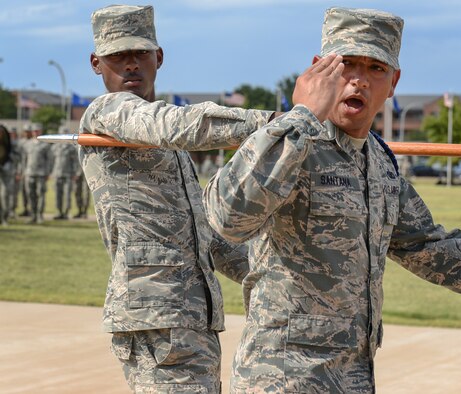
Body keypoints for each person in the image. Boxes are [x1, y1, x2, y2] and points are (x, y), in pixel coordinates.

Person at [203, 7, 461, 393]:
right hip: (282, 377)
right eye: (346, 64)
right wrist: (300, 116)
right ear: (318, 70)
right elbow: (226, 217)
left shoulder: (379, 164)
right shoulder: (289, 143)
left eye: (376, 69)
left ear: (394, 82)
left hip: (353, 376)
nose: (359, 80)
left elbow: (434, 250)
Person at [80, 5, 275, 392]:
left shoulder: (166, 139)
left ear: (159, 58)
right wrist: (272, 124)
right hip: (157, 315)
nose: (130, 65)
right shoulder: (109, 113)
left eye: (140, 54)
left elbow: (204, 231)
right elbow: (175, 125)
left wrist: (266, 274)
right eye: (118, 57)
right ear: (96, 64)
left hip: (189, 313)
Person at [22, 123, 52, 224]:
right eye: (34, 131)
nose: (36, 132)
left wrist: (48, 172)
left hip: (41, 173)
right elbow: (24, 160)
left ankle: (39, 215)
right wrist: (23, 171)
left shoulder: (45, 144)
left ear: (41, 131)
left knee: (41, 194)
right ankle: (33, 215)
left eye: (38, 130)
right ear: (32, 132)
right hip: (29, 173)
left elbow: (49, 160)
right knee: (31, 195)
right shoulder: (27, 144)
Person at [51, 126, 78, 220]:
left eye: (65, 133)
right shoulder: (54, 147)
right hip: (57, 174)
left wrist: (75, 173)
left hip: (68, 174)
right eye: (62, 133)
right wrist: (51, 172)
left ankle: (66, 213)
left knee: (67, 195)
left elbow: (75, 162)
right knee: (58, 195)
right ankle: (59, 212)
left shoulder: (71, 148)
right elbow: (52, 161)